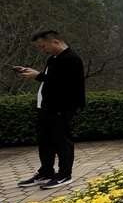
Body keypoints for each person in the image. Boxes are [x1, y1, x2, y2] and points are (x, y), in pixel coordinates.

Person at [13, 30, 86, 190]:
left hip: (60, 107)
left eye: (43, 46)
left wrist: (38, 76)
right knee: (45, 142)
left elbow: (67, 84)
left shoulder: (71, 58)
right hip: (45, 106)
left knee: (62, 142)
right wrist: (34, 73)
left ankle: (64, 174)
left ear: (55, 42)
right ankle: (46, 171)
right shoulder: (53, 59)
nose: (43, 50)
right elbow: (50, 80)